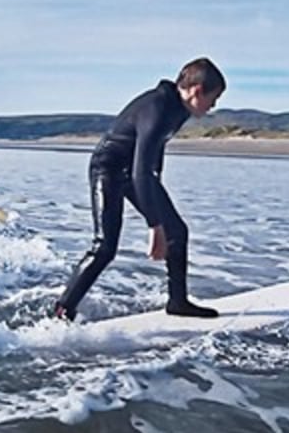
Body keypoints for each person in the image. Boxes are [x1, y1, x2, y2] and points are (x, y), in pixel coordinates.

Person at [55, 57, 226, 321]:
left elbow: (151, 159)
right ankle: (60, 312)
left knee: (177, 231)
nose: (214, 106)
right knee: (104, 247)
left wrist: (156, 191)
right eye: (213, 99)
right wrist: (154, 225)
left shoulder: (181, 109)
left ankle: (177, 302)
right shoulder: (158, 108)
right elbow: (140, 171)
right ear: (197, 90)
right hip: (108, 169)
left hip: (136, 172)